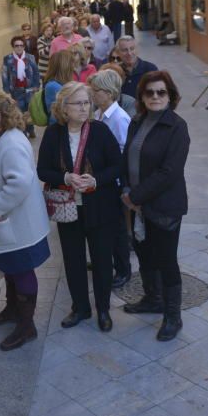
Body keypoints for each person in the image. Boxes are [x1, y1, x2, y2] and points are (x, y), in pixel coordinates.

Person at [0, 93, 50, 351]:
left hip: (16, 225)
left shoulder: (11, 143)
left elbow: (21, 182)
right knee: (12, 270)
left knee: (22, 270)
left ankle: (27, 327)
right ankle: (12, 310)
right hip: (9, 225)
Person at [38, 82, 122, 332]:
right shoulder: (53, 134)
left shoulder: (100, 131)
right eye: (78, 103)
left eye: (87, 102)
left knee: (102, 260)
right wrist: (64, 178)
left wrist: (96, 180)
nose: (85, 108)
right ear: (64, 107)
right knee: (73, 260)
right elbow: (42, 170)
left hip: (100, 207)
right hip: (68, 209)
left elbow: (117, 166)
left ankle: (104, 309)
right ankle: (80, 307)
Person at [121, 71, 190, 341]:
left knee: (166, 260)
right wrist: (126, 189)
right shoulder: (137, 121)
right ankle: (153, 298)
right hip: (136, 204)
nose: (155, 97)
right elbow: (127, 156)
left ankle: (173, 316)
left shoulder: (177, 127)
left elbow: (169, 171)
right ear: (141, 96)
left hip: (163, 207)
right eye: (149, 92)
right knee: (144, 253)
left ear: (170, 95)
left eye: (161, 92)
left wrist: (135, 196)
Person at [89, 69, 133, 289]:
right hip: (100, 181)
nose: (92, 94)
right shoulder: (98, 114)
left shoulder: (119, 118)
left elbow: (126, 153)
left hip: (113, 183)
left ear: (108, 93)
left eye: (95, 90)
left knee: (117, 229)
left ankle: (124, 269)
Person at [1, 36, 41, 138]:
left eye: (21, 45)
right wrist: (7, 92)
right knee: (19, 113)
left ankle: (30, 129)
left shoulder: (30, 57)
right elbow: (4, 75)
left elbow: (36, 72)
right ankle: (23, 134)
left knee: (29, 111)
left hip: (29, 90)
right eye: (16, 45)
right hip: (16, 91)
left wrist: (37, 86)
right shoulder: (8, 59)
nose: (19, 47)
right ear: (13, 47)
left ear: (24, 46)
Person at [116, 36, 158, 101]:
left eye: (132, 49)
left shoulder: (150, 69)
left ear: (137, 49)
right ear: (118, 53)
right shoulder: (114, 71)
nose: (129, 53)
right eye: (124, 50)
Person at [43, 50, 76, 125]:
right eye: (72, 63)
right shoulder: (54, 86)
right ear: (65, 66)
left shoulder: (62, 83)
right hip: (59, 127)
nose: (74, 66)